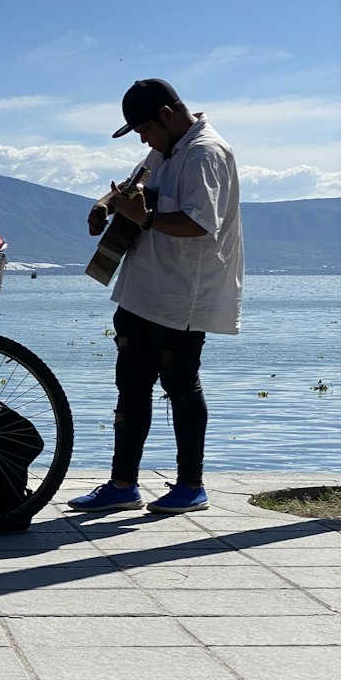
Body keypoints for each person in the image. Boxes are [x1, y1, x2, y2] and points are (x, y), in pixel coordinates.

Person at [69, 78, 243, 515]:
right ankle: (123, 484)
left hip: (183, 294)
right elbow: (133, 186)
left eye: (144, 129)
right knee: (131, 386)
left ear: (166, 116)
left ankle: (191, 485)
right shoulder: (166, 149)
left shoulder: (206, 153)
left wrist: (144, 220)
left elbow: (201, 223)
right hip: (142, 289)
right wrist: (105, 204)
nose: (143, 139)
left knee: (181, 385)